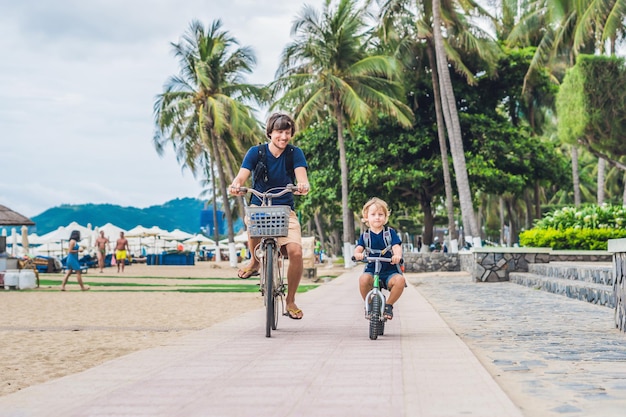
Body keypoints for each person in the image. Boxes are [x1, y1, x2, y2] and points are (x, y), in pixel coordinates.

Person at [230, 112, 310, 320]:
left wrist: (303, 185)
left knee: (296, 253)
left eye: (287, 132)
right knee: (253, 222)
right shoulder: (256, 152)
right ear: (270, 133)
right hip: (259, 205)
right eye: (279, 132)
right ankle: (255, 262)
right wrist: (237, 185)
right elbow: (242, 175)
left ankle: (290, 300)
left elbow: (302, 176)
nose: (283, 137)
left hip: (285, 210)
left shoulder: (295, 153)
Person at [352, 197, 406, 320]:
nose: (377, 217)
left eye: (381, 214)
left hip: (389, 270)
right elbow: (359, 248)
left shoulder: (389, 233)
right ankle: (369, 305)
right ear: (366, 217)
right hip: (372, 269)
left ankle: (389, 305)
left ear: (385, 217)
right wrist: (358, 254)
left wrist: (397, 255)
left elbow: (396, 246)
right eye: (373, 214)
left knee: (400, 281)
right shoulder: (365, 236)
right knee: (363, 280)